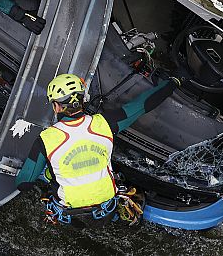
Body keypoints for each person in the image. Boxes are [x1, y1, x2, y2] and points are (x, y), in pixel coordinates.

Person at [15, 73, 180, 226]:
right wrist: (173, 83)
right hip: (107, 211)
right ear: (82, 100)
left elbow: (24, 183)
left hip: (71, 217)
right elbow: (142, 105)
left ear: (57, 107)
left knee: (50, 172)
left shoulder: (46, 139)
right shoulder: (105, 123)